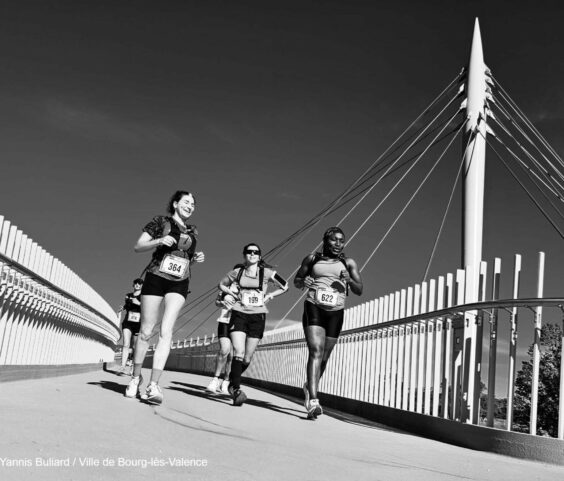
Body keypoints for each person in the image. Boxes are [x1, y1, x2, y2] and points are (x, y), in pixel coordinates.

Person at [125, 190, 205, 404]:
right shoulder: (160, 221)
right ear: (176, 203)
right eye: (186, 202)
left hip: (180, 281)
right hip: (156, 276)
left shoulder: (192, 230)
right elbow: (138, 246)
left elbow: (182, 257)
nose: (190, 206)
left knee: (166, 331)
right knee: (145, 331)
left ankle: (153, 385)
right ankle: (135, 378)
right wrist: (161, 239)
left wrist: (194, 259)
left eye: (193, 204)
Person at [293, 227, 363, 419]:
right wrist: (304, 282)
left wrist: (349, 280)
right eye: (334, 240)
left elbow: (359, 289)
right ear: (326, 241)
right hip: (313, 306)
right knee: (315, 350)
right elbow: (297, 281)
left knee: (324, 357)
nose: (338, 244)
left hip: (335, 312)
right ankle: (314, 401)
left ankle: (309, 386)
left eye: (342, 240)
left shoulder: (348, 263)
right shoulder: (312, 259)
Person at [219, 243, 288, 406]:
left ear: (259, 256)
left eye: (255, 252)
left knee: (248, 358)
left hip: (258, 316)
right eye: (249, 252)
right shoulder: (238, 272)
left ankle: (231, 381)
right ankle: (236, 389)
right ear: (244, 255)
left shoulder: (267, 273)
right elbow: (221, 284)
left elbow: (285, 286)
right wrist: (231, 293)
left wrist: (269, 296)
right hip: (239, 313)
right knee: (239, 351)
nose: (252, 254)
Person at [205, 282, 238, 395]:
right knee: (224, 350)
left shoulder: (247, 289)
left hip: (238, 324)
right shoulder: (225, 289)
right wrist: (222, 302)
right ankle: (215, 379)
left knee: (231, 356)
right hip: (224, 321)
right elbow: (217, 302)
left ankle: (226, 382)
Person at [116, 278, 144, 375]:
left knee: (135, 346)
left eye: (139, 284)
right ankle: (122, 367)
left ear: (142, 286)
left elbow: (146, 308)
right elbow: (127, 305)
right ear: (133, 285)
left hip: (138, 323)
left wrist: (139, 303)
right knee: (126, 344)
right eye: (136, 283)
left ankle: (132, 366)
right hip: (127, 321)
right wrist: (122, 308)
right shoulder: (128, 295)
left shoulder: (143, 296)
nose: (137, 285)